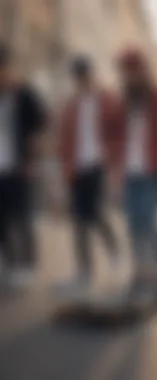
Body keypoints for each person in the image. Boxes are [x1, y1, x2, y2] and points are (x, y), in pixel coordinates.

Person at [109, 49, 157, 306]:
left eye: (132, 71)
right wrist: (116, 163)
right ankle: (140, 275)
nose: (128, 76)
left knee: (151, 224)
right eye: (125, 72)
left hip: (153, 172)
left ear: (142, 71)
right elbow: (113, 134)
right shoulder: (122, 101)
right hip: (130, 172)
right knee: (133, 225)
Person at [58, 56, 119, 296]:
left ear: (92, 75)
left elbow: (117, 130)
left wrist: (113, 159)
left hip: (98, 165)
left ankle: (114, 252)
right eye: (78, 78)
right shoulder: (71, 105)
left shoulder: (106, 100)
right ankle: (84, 273)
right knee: (79, 219)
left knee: (93, 212)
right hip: (77, 167)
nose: (82, 81)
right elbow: (64, 139)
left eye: (85, 76)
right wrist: (65, 169)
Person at [0, 44, 46, 288]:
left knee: (22, 216)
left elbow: (39, 124)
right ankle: (9, 263)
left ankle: (27, 265)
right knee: (2, 219)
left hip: (18, 166)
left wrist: (31, 160)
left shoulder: (23, 94)